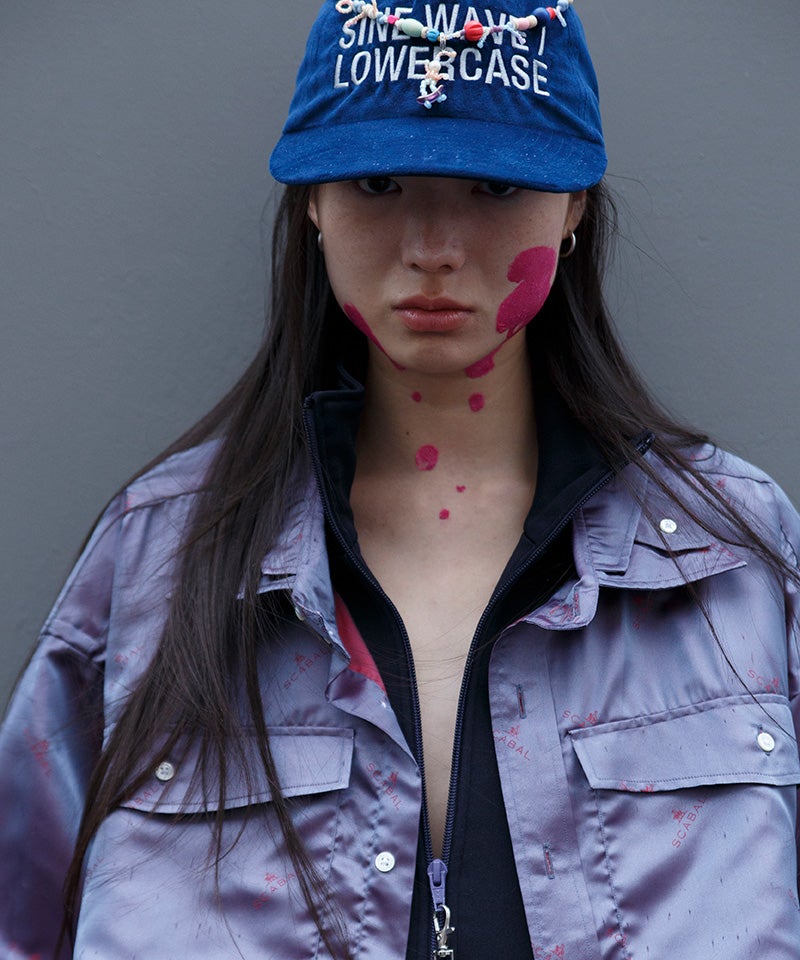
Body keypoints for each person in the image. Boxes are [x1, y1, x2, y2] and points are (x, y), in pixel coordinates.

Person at [2, 0, 800, 957]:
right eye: (377, 183)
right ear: (312, 202)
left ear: (575, 206)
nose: (433, 247)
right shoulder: (157, 560)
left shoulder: (734, 559)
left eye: (495, 187)